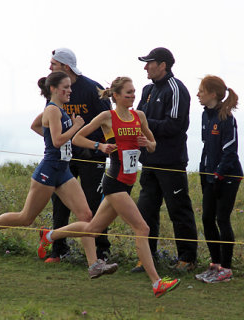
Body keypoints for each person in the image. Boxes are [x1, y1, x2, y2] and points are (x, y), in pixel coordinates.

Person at [38, 76, 180, 298]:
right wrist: (100, 145)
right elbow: (77, 139)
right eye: (128, 93)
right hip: (114, 183)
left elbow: (153, 146)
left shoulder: (139, 116)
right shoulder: (107, 117)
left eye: (134, 92)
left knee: (93, 228)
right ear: (116, 96)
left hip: (129, 182)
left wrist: (147, 143)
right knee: (142, 229)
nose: (133, 96)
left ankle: (49, 236)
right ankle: (156, 283)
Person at [0, 71, 118, 278]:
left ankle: (93, 264)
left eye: (70, 87)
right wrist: (75, 128)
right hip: (48, 171)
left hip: (63, 171)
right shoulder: (53, 110)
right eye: (65, 87)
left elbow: (36, 126)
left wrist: (58, 133)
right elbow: (57, 141)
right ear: (54, 89)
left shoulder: (59, 109)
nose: (70, 91)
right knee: (26, 217)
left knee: (86, 215)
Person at [31, 48, 111, 263]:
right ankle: (58, 250)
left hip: (91, 155)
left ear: (66, 67)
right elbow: (47, 126)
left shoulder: (93, 89)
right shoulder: (55, 91)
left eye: (53, 64)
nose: (49, 68)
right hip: (65, 158)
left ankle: (100, 252)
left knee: (92, 204)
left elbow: (107, 122)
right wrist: (54, 143)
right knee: (59, 204)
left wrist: (101, 146)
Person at [133, 47, 198, 272]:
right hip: (149, 161)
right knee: (145, 211)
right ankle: (148, 258)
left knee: (178, 210)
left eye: (149, 62)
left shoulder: (177, 88)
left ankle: (187, 259)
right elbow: (136, 119)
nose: (145, 67)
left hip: (171, 162)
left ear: (162, 65)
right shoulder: (147, 89)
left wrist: (146, 124)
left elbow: (175, 125)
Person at [195, 75, 242, 283]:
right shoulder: (206, 116)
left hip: (228, 177)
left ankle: (226, 268)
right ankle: (214, 265)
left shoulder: (227, 118)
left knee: (222, 219)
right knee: (207, 218)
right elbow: (207, 148)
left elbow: (230, 151)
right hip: (209, 176)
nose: (198, 94)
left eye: (201, 91)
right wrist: (205, 173)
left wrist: (219, 175)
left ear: (213, 94)